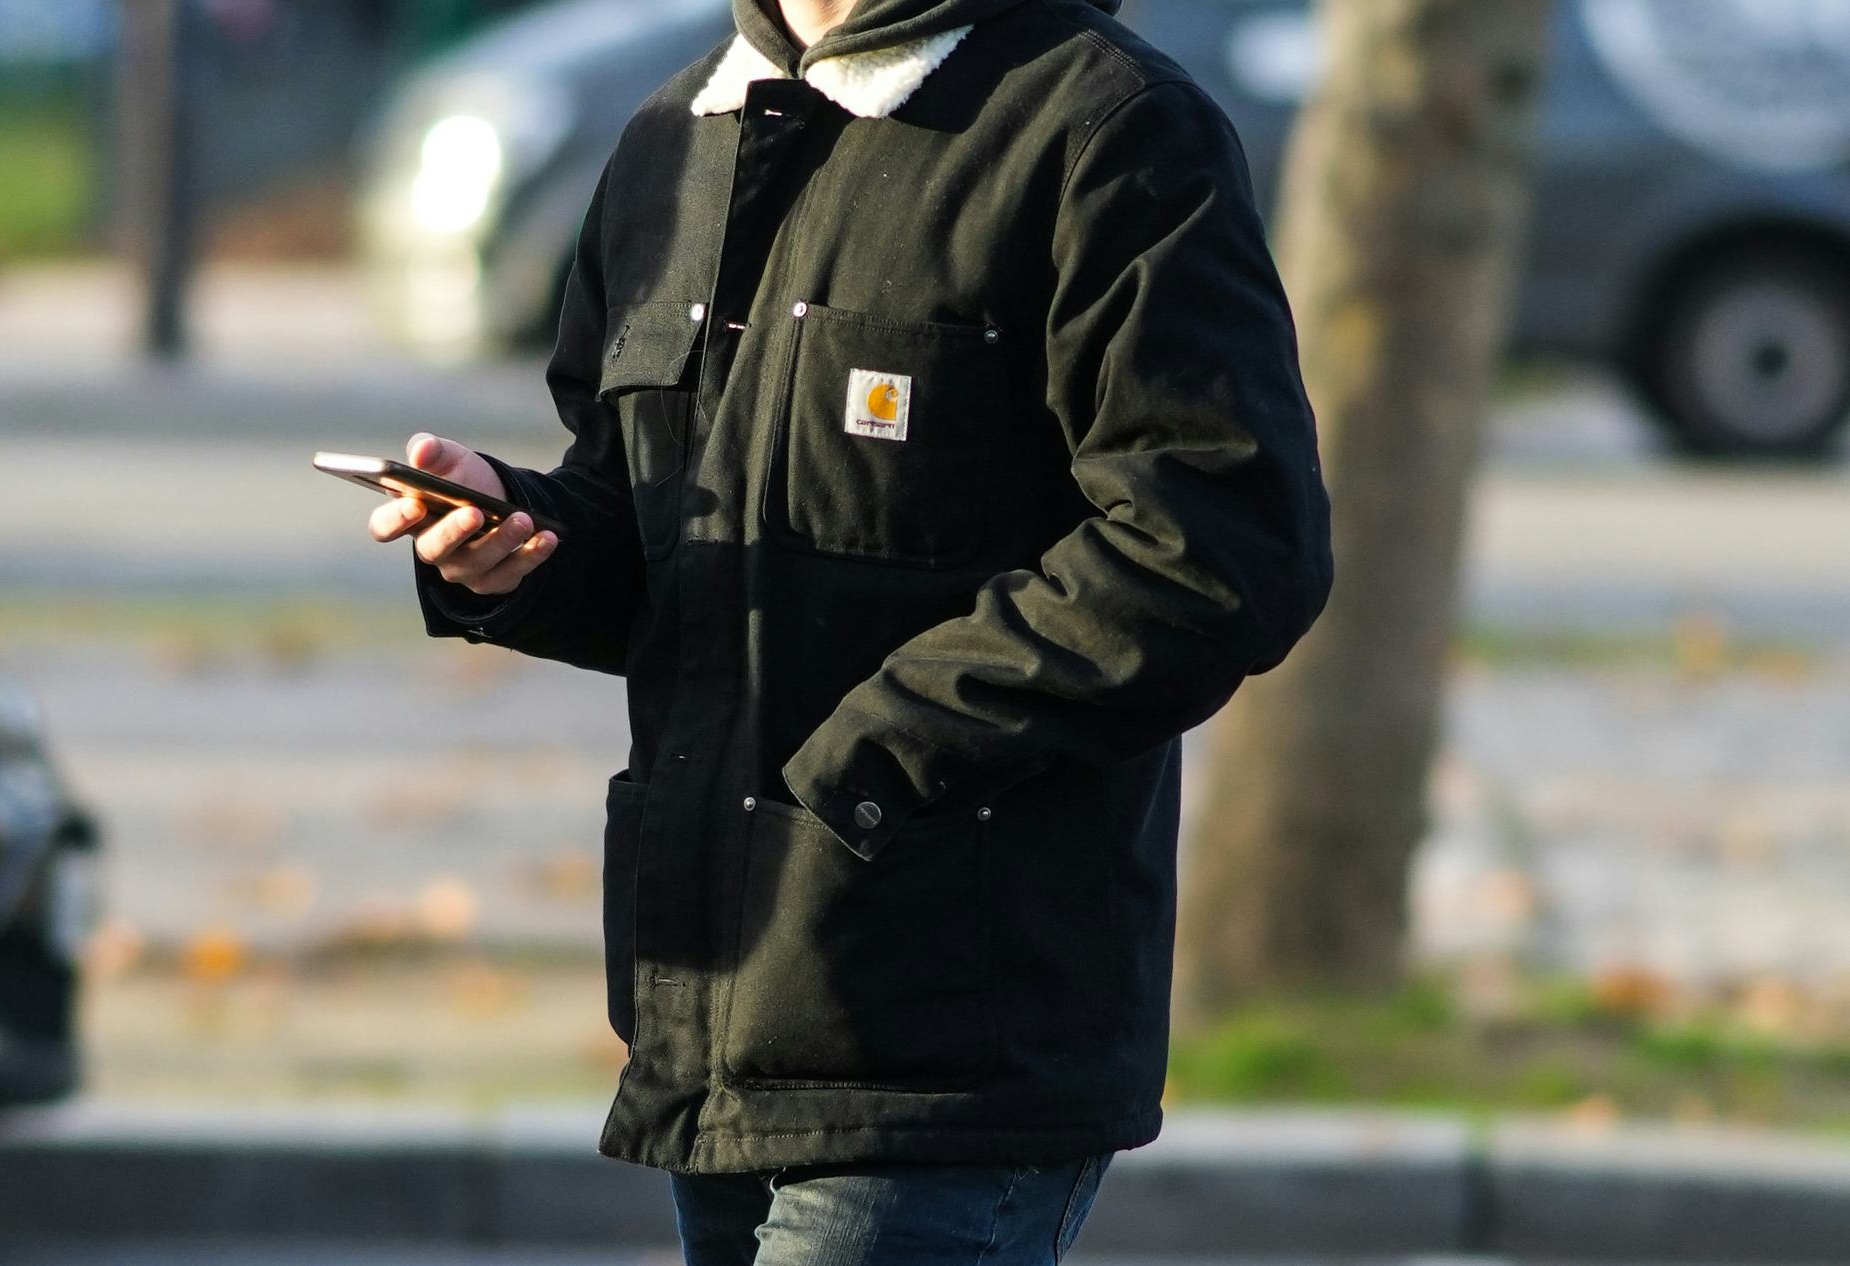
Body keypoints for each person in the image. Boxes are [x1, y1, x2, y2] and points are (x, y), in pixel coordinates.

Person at [368, 0, 1333, 1260]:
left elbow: (1219, 545)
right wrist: (514, 548)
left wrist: (875, 761)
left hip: (952, 1041)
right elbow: (667, 541)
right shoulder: (676, 134)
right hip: (712, 1025)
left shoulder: (1105, 129)